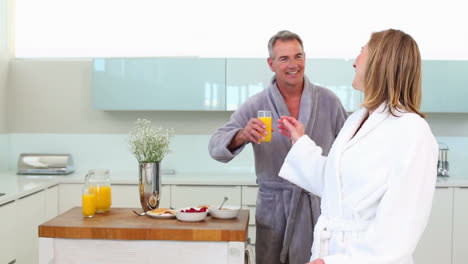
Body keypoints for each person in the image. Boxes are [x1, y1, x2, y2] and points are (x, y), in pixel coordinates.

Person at [277, 29, 438, 264]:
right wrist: (300, 142)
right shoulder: (357, 120)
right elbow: (337, 186)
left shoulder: (412, 131)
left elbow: (400, 226)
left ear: (379, 61)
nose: (354, 62)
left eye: (361, 52)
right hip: (329, 252)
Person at [208, 30, 348, 264]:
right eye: (284, 59)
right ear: (271, 64)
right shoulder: (257, 104)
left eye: (298, 56)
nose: (293, 65)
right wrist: (242, 135)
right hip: (274, 211)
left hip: (316, 208)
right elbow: (215, 146)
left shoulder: (328, 100)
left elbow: (349, 149)